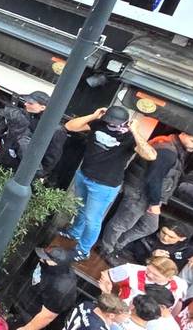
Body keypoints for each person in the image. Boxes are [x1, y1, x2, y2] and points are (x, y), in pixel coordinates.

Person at [64, 106, 158, 260]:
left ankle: (83, 250)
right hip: (84, 174)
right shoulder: (99, 124)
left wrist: (135, 131)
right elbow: (70, 126)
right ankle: (74, 232)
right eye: (109, 121)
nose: (112, 125)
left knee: (92, 218)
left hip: (104, 185)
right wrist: (93, 115)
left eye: (116, 123)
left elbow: (151, 155)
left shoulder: (129, 137)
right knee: (79, 208)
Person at [98, 131, 193, 264]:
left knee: (149, 226)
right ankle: (106, 249)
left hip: (145, 193)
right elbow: (154, 178)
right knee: (122, 224)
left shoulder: (169, 145)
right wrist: (155, 203)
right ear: (183, 134)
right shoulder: (168, 150)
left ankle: (115, 246)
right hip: (141, 192)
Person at [10, 246, 79, 330]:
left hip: (31, 316)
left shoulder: (62, 288)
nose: (41, 259)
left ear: (54, 263)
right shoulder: (48, 266)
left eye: (45, 258)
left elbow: (47, 316)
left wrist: (26, 328)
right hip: (24, 301)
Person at [60, 293, 130, 330]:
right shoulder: (99, 328)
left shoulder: (87, 304)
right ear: (111, 315)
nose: (128, 316)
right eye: (125, 315)